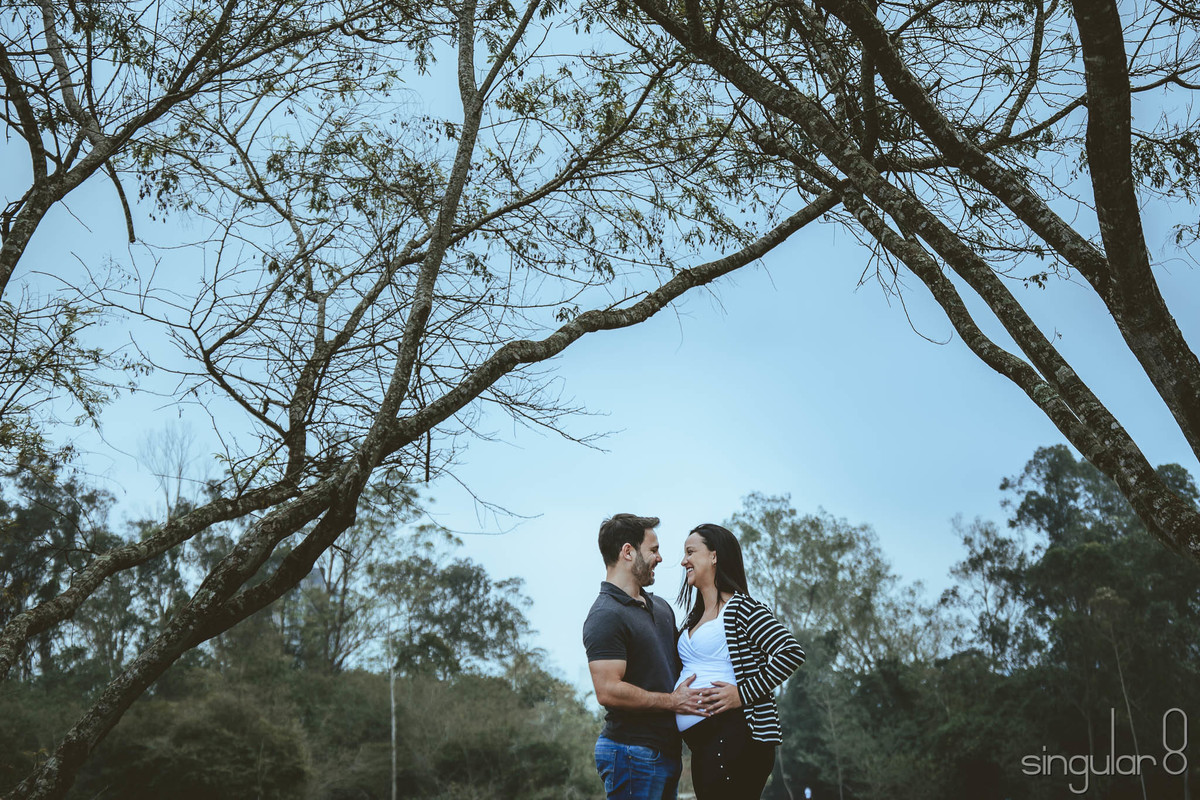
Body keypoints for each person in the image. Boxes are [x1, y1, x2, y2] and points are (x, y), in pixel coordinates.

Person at [674, 523, 805, 799]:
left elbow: (790, 651)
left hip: (735, 735)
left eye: (690, 552)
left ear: (714, 555)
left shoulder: (741, 608)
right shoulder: (693, 618)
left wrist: (741, 694)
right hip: (704, 744)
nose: (684, 560)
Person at [583, 514, 708, 800]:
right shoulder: (605, 615)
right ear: (628, 552)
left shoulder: (661, 607)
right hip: (630, 753)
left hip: (666, 751)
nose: (661, 558)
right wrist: (671, 702)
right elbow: (608, 690)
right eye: (653, 550)